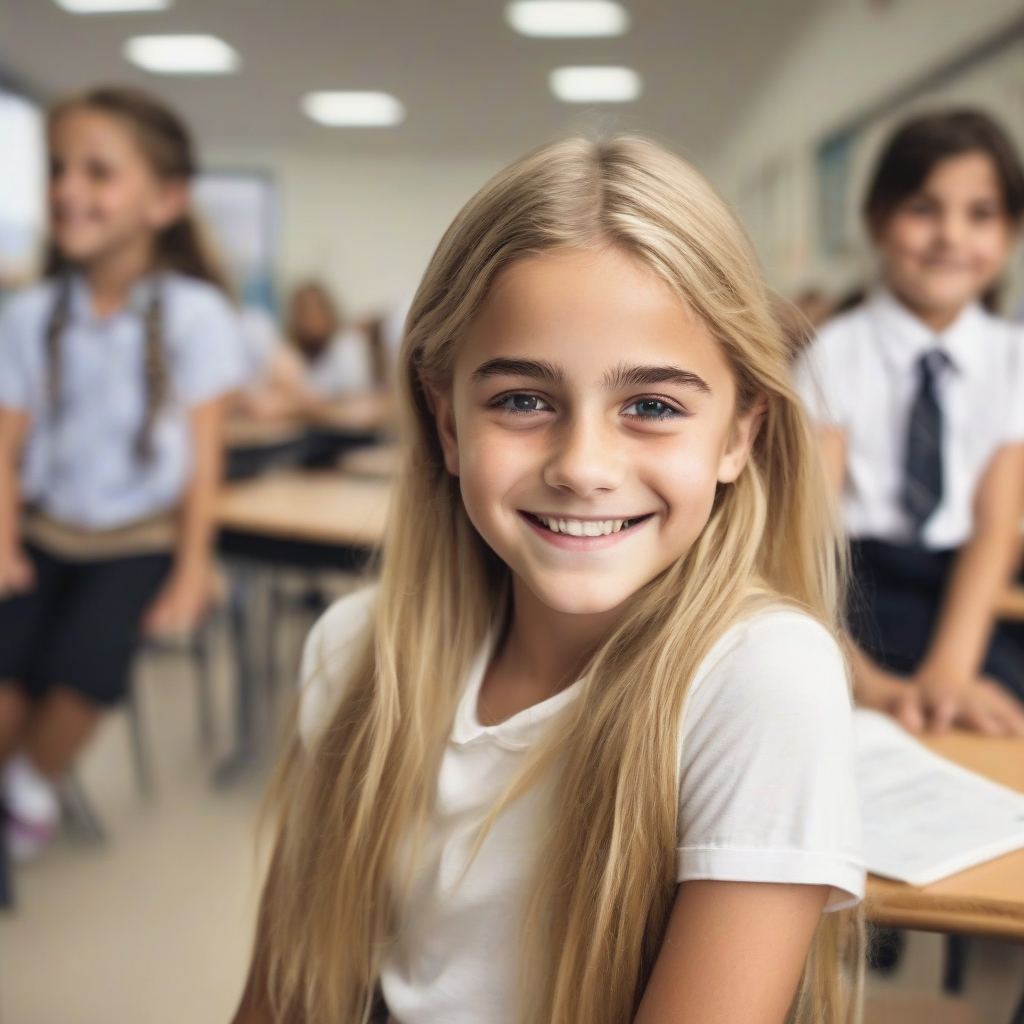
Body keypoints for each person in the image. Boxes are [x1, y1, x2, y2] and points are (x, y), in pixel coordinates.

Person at [234, 136, 864, 1024]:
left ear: (737, 435)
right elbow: (279, 999)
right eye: (523, 401)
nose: (584, 467)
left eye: (651, 407)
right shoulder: (354, 647)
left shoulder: (764, 677)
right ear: (445, 421)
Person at [0, 86, 246, 858]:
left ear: (165, 198)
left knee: (83, 673)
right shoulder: (30, 312)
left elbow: (206, 460)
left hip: (135, 540)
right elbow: (6, 447)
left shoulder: (197, 314)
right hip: (44, 527)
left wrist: (192, 568)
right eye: (58, 169)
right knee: (8, 671)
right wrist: (4, 543)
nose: (70, 190)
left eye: (99, 173)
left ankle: (30, 789)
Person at [797, 110, 1024, 736]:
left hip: (968, 591)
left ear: (1009, 231)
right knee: (867, 722)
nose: (951, 236)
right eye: (924, 209)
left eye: (981, 214)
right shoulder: (835, 353)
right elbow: (806, 534)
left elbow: (994, 528)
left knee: (985, 710)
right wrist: (857, 675)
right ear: (877, 219)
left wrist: (952, 667)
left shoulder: (1012, 359)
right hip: (856, 584)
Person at [286, 280, 378, 398]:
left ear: (327, 310)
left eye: (316, 309)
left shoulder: (347, 344)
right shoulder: (295, 352)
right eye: (303, 312)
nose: (310, 318)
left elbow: (357, 397)